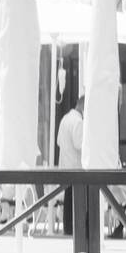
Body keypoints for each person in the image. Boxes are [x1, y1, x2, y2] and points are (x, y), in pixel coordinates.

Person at [57, 96, 84, 236]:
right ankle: (75, 229)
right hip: (76, 167)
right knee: (76, 202)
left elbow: (59, 141)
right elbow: (80, 144)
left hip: (65, 165)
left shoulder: (65, 119)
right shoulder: (78, 121)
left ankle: (68, 228)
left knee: (68, 201)